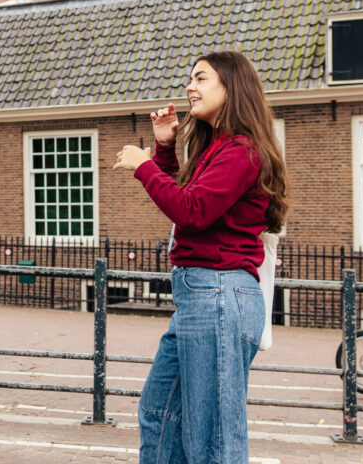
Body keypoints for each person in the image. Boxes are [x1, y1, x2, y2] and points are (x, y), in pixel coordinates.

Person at [112, 51, 287, 463]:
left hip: (219, 295)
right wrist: (164, 148)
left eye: (201, 78)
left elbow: (193, 210)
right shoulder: (219, 148)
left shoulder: (243, 150)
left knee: (212, 436)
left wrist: (143, 165)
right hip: (200, 297)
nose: (190, 86)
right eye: (190, 78)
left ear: (232, 87)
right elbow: (187, 198)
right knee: (160, 413)